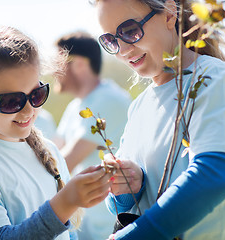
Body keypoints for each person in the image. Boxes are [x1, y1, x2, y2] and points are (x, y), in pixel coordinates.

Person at [91, 0, 225, 239]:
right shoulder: (139, 106)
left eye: (129, 31)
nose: (123, 50)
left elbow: (214, 175)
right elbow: (120, 207)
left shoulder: (214, 79)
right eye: (111, 40)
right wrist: (126, 187)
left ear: (170, 14)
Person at [0, 26, 114, 240]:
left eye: (36, 95)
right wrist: (65, 204)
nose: (29, 110)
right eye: (12, 101)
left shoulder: (49, 151)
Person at [53, 32, 132, 240]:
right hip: (85, 228)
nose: (53, 71)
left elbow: (62, 164)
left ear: (78, 64)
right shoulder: (75, 107)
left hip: (107, 229)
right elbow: (51, 152)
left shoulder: (108, 100)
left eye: (57, 62)